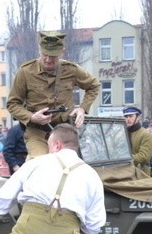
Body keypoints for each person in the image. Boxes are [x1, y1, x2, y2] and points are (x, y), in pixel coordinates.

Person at [7, 31, 101, 159]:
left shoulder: (71, 70)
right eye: (44, 55)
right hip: (37, 132)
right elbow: (12, 104)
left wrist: (82, 109)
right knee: (41, 163)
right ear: (39, 49)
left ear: (62, 52)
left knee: (68, 164)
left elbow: (94, 85)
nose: (48, 60)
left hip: (64, 132)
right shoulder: (25, 72)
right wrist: (31, 117)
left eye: (53, 56)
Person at [123, 106, 152, 175]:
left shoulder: (145, 134)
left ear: (138, 117)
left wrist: (123, 160)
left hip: (140, 172)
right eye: (126, 117)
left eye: (131, 116)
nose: (128, 119)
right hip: (123, 171)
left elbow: (143, 156)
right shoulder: (123, 133)